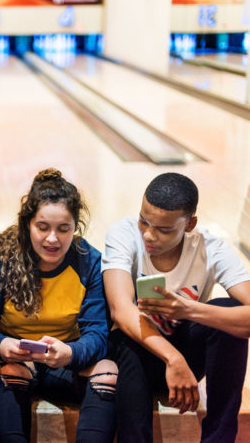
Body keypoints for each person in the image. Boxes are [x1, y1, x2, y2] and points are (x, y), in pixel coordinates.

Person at [102, 172, 250, 443]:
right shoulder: (123, 234)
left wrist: (188, 310)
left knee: (228, 313)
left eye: (164, 229)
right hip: (139, 355)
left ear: (190, 224)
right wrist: (173, 359)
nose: (149, 234)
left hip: (187, 352)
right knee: (125, 339)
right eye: (144, 221)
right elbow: (121, 310)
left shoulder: (211, 248)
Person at [0, 168, 117, 443]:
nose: (52, 239)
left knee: (108, 371)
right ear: (27, 225)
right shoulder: (3, 260)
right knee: (10, 371)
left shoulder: (88, 262)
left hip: (66, 362)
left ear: (75, 227)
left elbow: (98, 334)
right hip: (17, 362)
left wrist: (70, 352)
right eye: (42, 227)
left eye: (63, 229)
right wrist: (2, 345)